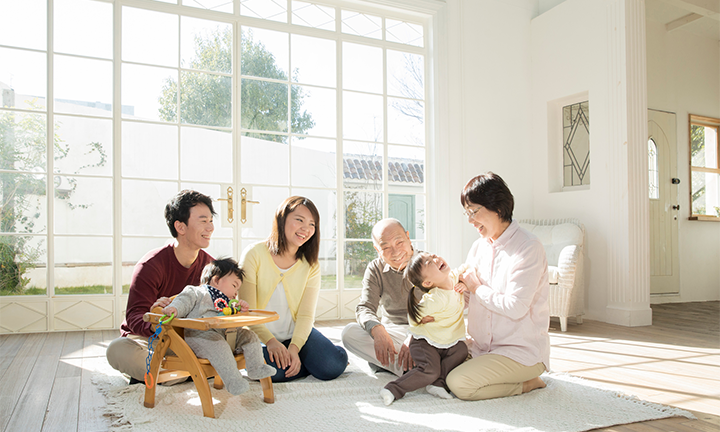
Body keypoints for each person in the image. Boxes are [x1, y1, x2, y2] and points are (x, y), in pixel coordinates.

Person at [446, 172, 550, 401]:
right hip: (481, 349)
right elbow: (468, 298)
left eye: (474, 212)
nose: (470, 221)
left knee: (458, 383)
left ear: (498, 207)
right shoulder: (478, 247)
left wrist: (475, 287)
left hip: (520, 353)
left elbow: (516, 307)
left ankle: (528, 383)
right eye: (467, 214)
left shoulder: (528, 247)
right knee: (436, 367)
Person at [106, 189, 216, 384]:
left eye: (211, 221)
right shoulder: (151, 265)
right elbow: (135, 316)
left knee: (234, 341)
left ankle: (173, 373)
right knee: (117, 349)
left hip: (190, 338)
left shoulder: (211, 268)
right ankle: (192, 371)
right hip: (150, 338)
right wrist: (159, 323)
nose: (210, 228)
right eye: (203, 221)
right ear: (180, 227)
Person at [239, 196, 348, 382]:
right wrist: (272, 342)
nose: (306, 229)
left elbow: (306, 315)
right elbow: (248, 314)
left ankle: (303, 358)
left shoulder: (310, 264)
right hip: (260, 337)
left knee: (333, 366)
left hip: (296, 335)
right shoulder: (254, 254)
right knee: (274, 373)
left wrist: (294, 348)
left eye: (312, 224)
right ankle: (306, 363)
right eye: (299, 220)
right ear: (282, 219)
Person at [162, 258, 275, 395]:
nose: (235, 293)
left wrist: (241, 310)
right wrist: (174, 308)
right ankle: (234, 381)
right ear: (216, 280)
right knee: (218, 345)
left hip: (227, 334)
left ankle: (256, 367)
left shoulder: (229, 302)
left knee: (249, 336)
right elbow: (183, 301)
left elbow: (232, 317)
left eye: (238, 289)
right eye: (234, 286)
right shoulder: (197, 292)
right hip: (201, 336)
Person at [380, 252, 468, 405]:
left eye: (433, 256)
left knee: (461, 350)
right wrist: (420, 321)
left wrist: (464, 283)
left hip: (447, 339)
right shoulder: (434, 299)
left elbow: (466, 268)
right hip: (424, 342)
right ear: (427, 283)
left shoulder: (453, 277)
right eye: (429, 263)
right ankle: (393, 389)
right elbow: (413, 316)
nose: (436, 259)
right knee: (430, 370)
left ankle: (438, 384)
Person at [341, 218, 419, 377]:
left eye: (399, 242)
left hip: (424, 331)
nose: (396, 252)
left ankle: (400, 366)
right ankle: (412, 368)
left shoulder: (429, 262)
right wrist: (377, 329)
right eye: (386, 247)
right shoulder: (375, 268)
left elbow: (442, 310)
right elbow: (365, 308)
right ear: (377, 249)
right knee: (349, 333)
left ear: (408, 237)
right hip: (393, 332)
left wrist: (415, 335)